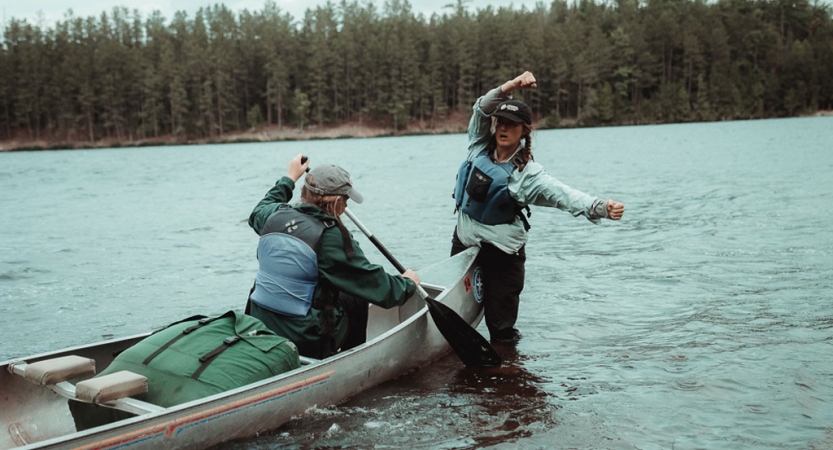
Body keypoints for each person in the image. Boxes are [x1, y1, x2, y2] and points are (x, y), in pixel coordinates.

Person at [451, 71, 625, 344]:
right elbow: (481, 107)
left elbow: (565, 196)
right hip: (466, 242)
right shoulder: (477, 146)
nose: (504, 129)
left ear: (524, 131)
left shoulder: (528, 176)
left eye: (512, 124)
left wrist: (601, 207)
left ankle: (509, 369)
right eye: (501, 123)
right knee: (454, 308)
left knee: (500, 328)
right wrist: (512, 85)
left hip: (502, 253)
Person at [246, 154, 420, 359]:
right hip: (305, 337)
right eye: (345, 200)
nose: (346, 206)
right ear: (337, 201)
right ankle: (349, 359)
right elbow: (380, 288)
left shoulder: (274, 216)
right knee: (355, 295)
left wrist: (289, 178)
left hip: (259, 322)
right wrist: (407, 283)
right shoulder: (331, 236)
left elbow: (260, 209)